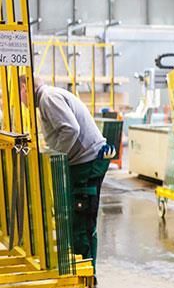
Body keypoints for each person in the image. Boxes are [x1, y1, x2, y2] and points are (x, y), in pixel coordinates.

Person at [21, 76, 116, 272]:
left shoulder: (48, 98)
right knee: (78, 218)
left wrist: (56, 157)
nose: (20, 101)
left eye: (17, 94)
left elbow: (71, 129)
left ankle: (85, 275)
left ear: (24, 88)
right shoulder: (49, 98)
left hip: (87, 162)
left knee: (80, 220)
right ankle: (83, 270)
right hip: (83, 161)